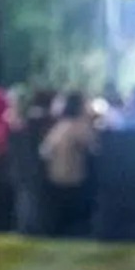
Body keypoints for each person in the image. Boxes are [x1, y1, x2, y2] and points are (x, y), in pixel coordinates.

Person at [38, 92, 99, 233]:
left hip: (54, 178)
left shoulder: (58, 127)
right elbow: (95, 150)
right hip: (75, 179)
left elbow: (44, 151)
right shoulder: (80, 127)